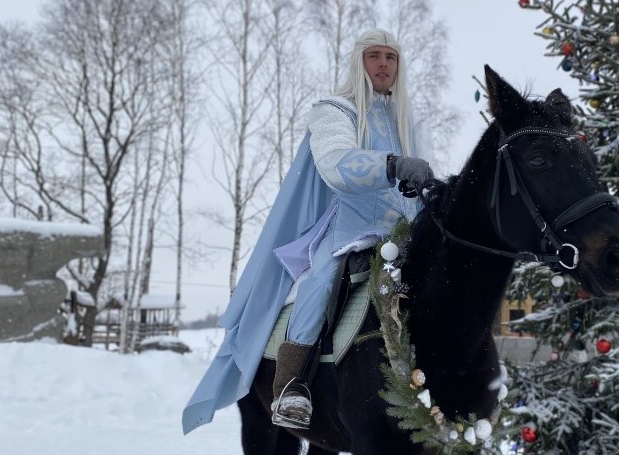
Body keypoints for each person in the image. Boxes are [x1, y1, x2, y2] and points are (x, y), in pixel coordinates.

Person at [181, 29, 433, 434]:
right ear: (359, 62)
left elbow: (421, 178)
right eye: (374, 55)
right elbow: (336, 162)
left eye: (390, 56)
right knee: (321, 278)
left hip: (404, 234)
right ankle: (291, 385)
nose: (383, 63)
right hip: (349, 228)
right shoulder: (335, 110)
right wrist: (391, 166)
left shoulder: (406, 120)